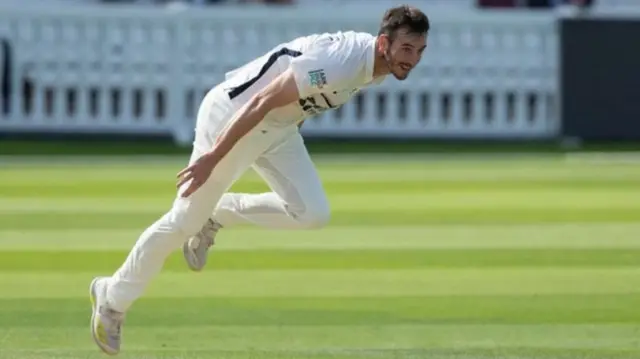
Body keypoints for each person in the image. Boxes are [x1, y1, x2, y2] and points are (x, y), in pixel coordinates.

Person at [89, 4, 429, 356]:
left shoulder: (379, 67)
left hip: (276, 128)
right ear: (383, 43)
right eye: (407, 49)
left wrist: (291, 125)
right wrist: (212, 158)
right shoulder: (342, 62)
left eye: (420, 51)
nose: (413, 59)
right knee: (183, 220)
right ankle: (112, 298)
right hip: (233, 115)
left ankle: (217, 213)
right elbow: (264, 98)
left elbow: (304, 97)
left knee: (312, 213)